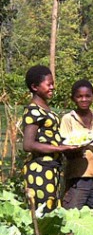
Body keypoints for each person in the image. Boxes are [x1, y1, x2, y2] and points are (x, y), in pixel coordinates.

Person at [22, 65, 76, 213]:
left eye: (53, 83)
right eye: (49, 84)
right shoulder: (33, 110)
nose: (52, 87)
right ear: (34, 87)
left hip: (52, 169)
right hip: (40, 170)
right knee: (43, 214)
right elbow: (28, 144)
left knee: (53, 213)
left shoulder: (46, 109)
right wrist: (61, 148)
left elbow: (49, 137)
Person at [60, 79, 93, 209]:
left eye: (87, 96)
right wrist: (87, 142)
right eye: (79, 96)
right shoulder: (68, 119)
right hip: (77, 179)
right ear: (73, 98)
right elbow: (66, 151)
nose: (84, 99)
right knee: (72, 219)